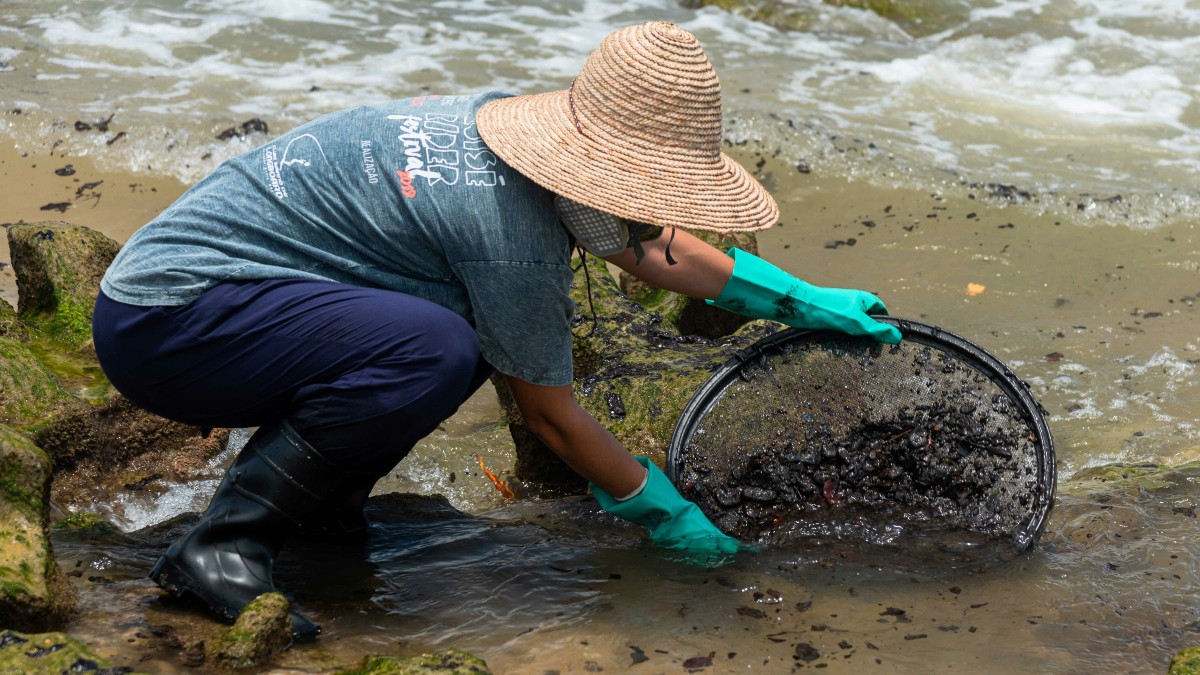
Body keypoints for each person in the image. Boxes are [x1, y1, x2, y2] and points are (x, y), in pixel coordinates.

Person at [92, 21, 901, 640]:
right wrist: (665, 513)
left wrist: (795, 298)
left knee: (442, 334)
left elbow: (643, 243)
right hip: (173, 322)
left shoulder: (515, 135)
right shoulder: (507, 232)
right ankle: (220, 549)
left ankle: (320, 509)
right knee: (437, 346)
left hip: (220, 301)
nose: (659, 202)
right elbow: (550, 414)